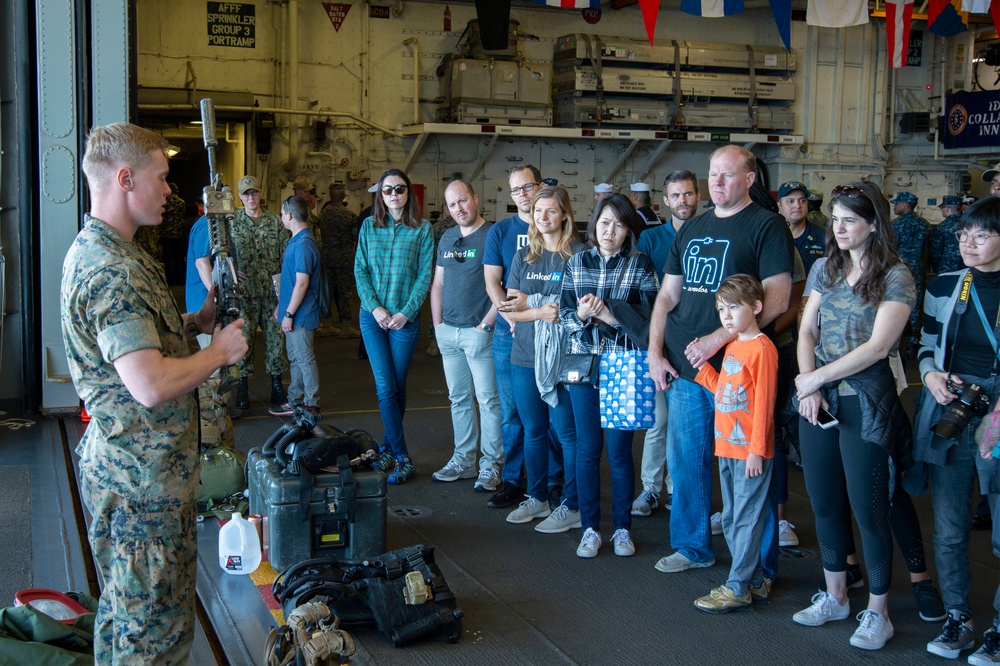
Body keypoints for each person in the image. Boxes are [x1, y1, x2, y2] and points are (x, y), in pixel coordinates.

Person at [60, 122, 248, 663]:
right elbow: (148, 384)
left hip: (135, 474)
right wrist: (219, 352)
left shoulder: (113, 250)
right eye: (162, 177)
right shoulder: (113, 268)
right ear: (124, 178)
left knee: (124, 620)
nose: (171, 189)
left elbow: (137, 344)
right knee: (152, 638)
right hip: (143, 487)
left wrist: (196, 321)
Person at [647, 145, 793, 575]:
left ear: (749, 180)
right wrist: (655, 352)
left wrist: (717, 338)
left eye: (728, 176)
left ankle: (759, 568)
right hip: (688, 368)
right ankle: (693, 548)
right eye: (713, 174)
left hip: (742, 370)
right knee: (687, 462)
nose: (717, 183)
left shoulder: (767, 226)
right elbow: (667, 296)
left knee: (747, 473)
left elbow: (779, 298)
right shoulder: (692, 228)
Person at [791, 181, 916, 650]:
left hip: (866, 399)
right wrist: (808, 383)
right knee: (825, 504)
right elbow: (807, 331)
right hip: (820, 398)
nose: (839, 228)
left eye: (850, 220)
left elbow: (879, 347)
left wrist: (817, 379)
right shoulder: (825, 267)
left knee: (869, 510)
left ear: (873, 224)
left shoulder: (895, 275)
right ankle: (836, 594)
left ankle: (878, 612)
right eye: (836, 219)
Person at [915, 196, 1000, 661]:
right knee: (948, 529)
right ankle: (958, 618)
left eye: (981, 234)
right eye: (965, 233)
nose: (968, 242)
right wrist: (930, 375)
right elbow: (927, 343)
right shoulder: (945, 284)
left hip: (998, 417)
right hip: (953, 409)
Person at [560, 194, 658, 558]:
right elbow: (564, 319)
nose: (610, 231)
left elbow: (649, 322)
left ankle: (621, 528)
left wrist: (612, 316)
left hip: (624, 364)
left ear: (628, 229)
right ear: (594, 224)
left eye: (618, 224)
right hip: (584, 363)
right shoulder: (576, 263)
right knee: (587, 450)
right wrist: (583, 316)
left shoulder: (642, 265)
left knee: (619, 453)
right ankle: (589, 528)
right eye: (604, 222)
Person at [692, 274, 778, 613]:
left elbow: (765, 405)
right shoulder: (733, 346)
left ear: (755, 307)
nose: (726, 316)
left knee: (745, 518)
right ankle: (753, 580)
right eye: (721, 309)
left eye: (733, 307)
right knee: (730, 517)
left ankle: (738, 586)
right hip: (726, 446)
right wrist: (702, 370)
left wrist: (757, 450)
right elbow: (728, 394)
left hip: (748, 452)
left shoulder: (762, 349)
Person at [502, 186, 584, 534]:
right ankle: (537, 498)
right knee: (533, 430)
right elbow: (511, 310)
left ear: (565, 214)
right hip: (524, 355)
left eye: (551, 211)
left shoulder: (579, 254)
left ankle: (574, 504)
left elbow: (583, 308)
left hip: (566, 358)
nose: (543, 217)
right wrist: (539, 309)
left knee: (567, 433)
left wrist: (539, 307)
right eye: (538, 211)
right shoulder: (527, 256)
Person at [484, 165, 563, 508]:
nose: (522, 194)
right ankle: (515, 479)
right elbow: (493, 282)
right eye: (515, 190)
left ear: (540, 186)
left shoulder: (561, 240)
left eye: (527, 187)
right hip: (510, 334)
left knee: (555, 418)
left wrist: (528, 310)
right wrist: (512, 317)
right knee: (515, 413)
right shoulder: (502, 231)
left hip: (553, 339)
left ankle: (553, 482)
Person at [355, 168, 434, 485]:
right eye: (387, 190)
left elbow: (424, 275)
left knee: (397, 389)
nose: (393, 195)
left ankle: (387, 448)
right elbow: (360, 270)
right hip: (372, 318)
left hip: (405, 320)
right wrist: (374, 307)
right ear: (380, 195)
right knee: (386, 387)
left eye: (399, 189)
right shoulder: (368, 227)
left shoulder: (423, 229)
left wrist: (406, 311)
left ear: (408, 193)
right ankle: (403, 457)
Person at [631, 170, 700, 517]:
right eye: (676, 195)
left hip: (696, 342)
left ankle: (677, 489)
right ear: (665, 201)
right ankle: (650, 489)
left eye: (688, 194)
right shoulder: (650, 238)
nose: (682, 201)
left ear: (697, 196)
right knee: (658, 421)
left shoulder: (708, 233)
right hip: (659, 340)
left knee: (686, 425)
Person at [429, 180, 503, 489]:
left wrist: (486, 324)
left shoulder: (493, 235)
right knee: (458, 399)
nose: (459, 208)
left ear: (475, 199)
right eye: (452, 205)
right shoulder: (446, 237)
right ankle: (463, 460)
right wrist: (438, 326)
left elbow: (505, 287)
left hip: (479, 333)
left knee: (487, 400)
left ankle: (491, 464)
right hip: (448, 332)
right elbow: (439, 284)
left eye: (463, 201)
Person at [232, 174, 290, 411]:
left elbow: (286, 256)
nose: (251, 197)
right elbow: (219, 253)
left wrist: (284, 292)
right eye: (246, 194)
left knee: (276, 340)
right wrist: (231, 268)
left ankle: (277, 386)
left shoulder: (275, 222)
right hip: (244, 293)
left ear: (260, 194)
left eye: (254, 192)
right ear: (240, 197)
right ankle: (242, 386)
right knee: (243, 341)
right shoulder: (232, 222)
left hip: (270, 293)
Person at [271, 195, 324, 417]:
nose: (281, 217)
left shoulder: (303, 245)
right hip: (293, 312)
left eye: (282, 213)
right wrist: (282, 308)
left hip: (301, 315)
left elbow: (302, 284)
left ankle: (311, 403)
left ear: (290, 215)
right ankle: (295, 399)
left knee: (304, 358)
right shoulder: (295, 241)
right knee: (295, 358)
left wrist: (289, 313)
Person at [316, 182, 361, 338]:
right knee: (344, 293)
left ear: (329, 195)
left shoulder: (323, 215)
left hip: (327, 259)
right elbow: (356, 237)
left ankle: (326, 324)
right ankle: (345, 327)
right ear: (343, 196)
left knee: (327, 292)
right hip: (344, 260)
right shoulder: (350, 216)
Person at [890, 191, 931, 354]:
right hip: (918, 268)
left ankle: (901, 339)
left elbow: (890, 248)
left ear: (906, 205)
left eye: (897, 203)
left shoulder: (896, 224)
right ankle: (914, 340)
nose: (895, 206)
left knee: (900, 303)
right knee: (916, 303)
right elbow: (928, 249)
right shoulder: (924, 224)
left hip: (899, 270)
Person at [778, 180, 826, 276]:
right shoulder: (771, 236)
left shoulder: (824, 237)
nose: (797, 205)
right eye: (790, 201)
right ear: (779, 205)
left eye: (802, 201)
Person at [929, 195, 966, 276]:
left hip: (947, 268)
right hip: (967, 268)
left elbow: (935, 252)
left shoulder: (942, 227)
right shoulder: (970, 224)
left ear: (946, 208)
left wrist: (937, 268)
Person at [161, 183, 187, 285]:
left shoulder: (165, 202)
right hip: (178, 233)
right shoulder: (181, 202)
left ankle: (171, 279)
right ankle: (180, 278)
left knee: (168, 257)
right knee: (179, 256)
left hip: (166, 234)